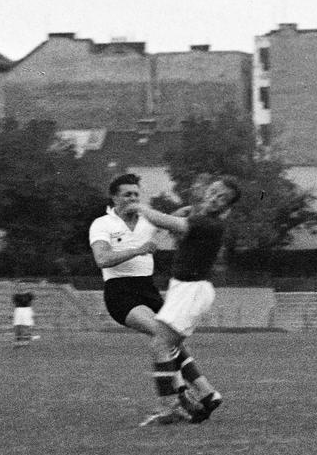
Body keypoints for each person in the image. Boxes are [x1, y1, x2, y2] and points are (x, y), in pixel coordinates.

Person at [90, 174, 220, 418]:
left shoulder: (146, 220)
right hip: (120, 292)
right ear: (114, 197)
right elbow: (102, 259)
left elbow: (173, 220)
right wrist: (138, 250)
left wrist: (191, 208)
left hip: (147, 289)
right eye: (127, 194)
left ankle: (197, 395)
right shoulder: (102, 224)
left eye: (137, 194)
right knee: (163, 337)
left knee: (172, 341)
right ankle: (192, 392)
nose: (133, 198)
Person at [134, 178, 238, 425]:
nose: (214, 197)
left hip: (190, 291)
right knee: (171, 347)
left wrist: (140, 208)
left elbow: (166, 223)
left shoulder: (207, 223)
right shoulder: (202, 220)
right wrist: (182, 214)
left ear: (227, 208)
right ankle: (207, 394)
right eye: (213, 191)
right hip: (186, 289)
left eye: (221, 197)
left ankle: (168, 407)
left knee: (160, 345)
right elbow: (177, 229)